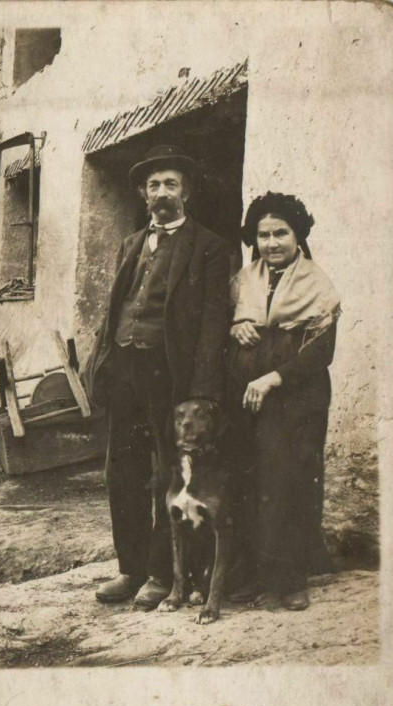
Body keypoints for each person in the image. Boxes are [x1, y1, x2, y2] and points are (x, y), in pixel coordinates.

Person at [85, 144, 231, 609]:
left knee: (169, 471)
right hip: (127, 368)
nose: (162, 192)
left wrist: (203, 391)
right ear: (143, 195)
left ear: (185, 191)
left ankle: (161, 573)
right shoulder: (131, 243)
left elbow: (213, 322)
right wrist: (103, 363)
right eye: (153, 185)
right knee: (121, 470)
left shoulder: (209, 247)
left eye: (171, 183)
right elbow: (116, 310)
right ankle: (130, 569)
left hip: (172, 375)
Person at [227, 192, 340, 611]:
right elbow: (228, 324)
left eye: (281, 233)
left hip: (296, 396)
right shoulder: (242, 281)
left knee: (288, 480)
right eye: (263, 235)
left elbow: (320, 352)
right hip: (248, 396)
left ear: (298, 236)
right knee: (250, 479)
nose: (272, 243)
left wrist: (274, 378)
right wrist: (236, 327)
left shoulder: (317, 284)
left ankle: (290, 578)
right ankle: (255, 573)